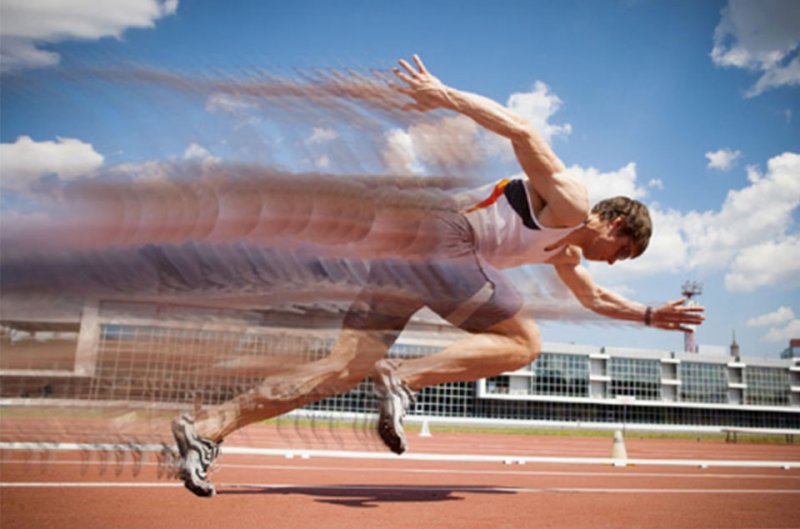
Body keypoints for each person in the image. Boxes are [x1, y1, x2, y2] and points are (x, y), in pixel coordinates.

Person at [171, 54, 705, 496]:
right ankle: (402, 379)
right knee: (524, 342)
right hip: (439, 235)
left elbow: (592, 299)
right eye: (623, 250)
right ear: (614, 223)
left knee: (342, 368)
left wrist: (649, 314)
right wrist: (442, 93)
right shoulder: (570, 202)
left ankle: (208, 427)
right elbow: (521, 130)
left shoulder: (564, 253)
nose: (615, 260)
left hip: (407, 255)